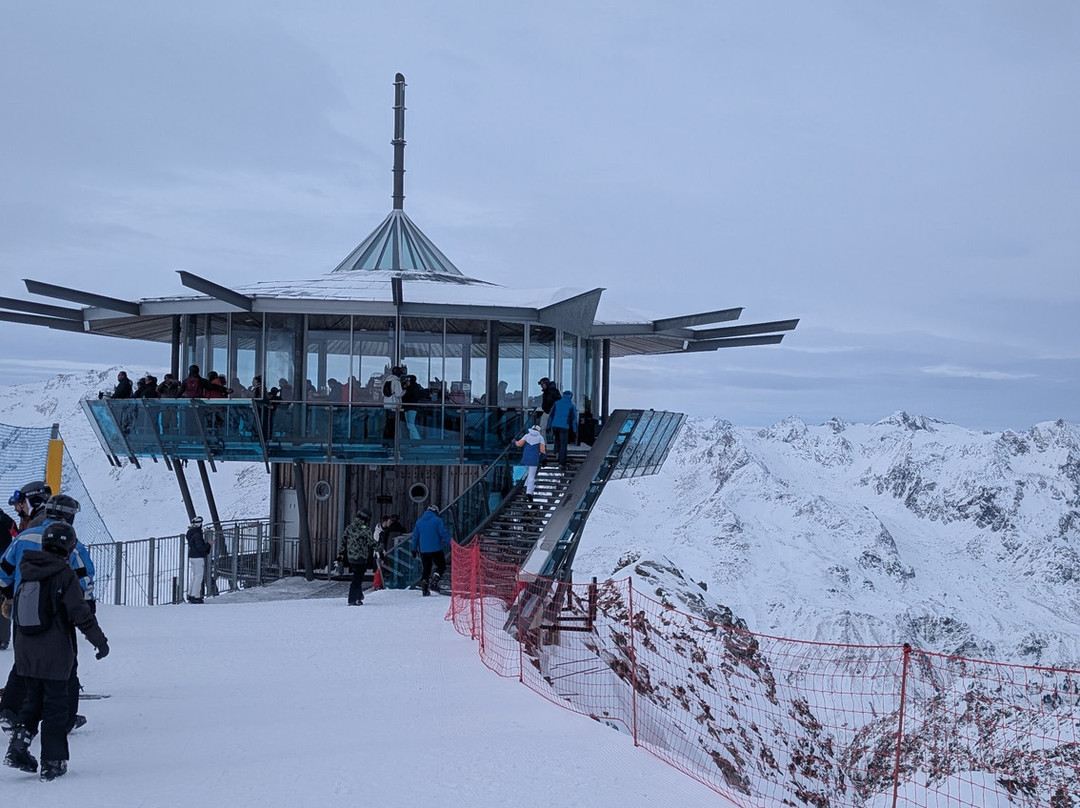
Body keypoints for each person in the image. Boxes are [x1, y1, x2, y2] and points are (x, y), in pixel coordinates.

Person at [2, 521, 109, 782]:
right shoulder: (64, 574)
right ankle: (53, 761)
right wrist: (99, 640)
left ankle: (18, 746)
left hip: (26, 650)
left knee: (32, 701)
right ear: (68, 547)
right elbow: (79, 612)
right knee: (55, 708)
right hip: (55, 654)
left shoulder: (26, 571)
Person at [0, 494, 94, 735]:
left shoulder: (23, 538)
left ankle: (9, 711)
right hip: (57, 618)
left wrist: (11, 594)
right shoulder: (73, 545)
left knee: (23, 662)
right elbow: (84, 581)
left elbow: (3, 573)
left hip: (23, 611)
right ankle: (66, 717)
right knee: (67, 665)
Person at [411, 505, 451, 596]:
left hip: (423, 550)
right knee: (441, 566)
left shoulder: (419, 522)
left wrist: (414, 549)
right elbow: (443, 534)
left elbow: (415, 537)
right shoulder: (437, 521)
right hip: (436, 548)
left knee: (426, 568)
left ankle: (425, 587)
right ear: (436, 512)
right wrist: (450, 544)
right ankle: (434, 581)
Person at [339, 510, 375, 606]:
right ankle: (352, 599)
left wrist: (341, 552)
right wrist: (380, 548)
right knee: (357, 579)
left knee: (357, 576)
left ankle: (359, 597)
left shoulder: (350, 527)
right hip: (361, 557)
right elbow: (371, 542)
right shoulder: (365, 529)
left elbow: (343, 540)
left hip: (351, 557)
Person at [514, 425, 547, 500]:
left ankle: (525, 486)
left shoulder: (526, 436)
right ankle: (529, 493)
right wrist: (544, 459)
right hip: (534, 460)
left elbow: (519, 444)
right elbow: (542, 450)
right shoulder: (540, 438)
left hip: (526, 459)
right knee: (532, 476)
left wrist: (514, 441)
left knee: (529, 473)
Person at [548, 389, 578, 466]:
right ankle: (562, 462)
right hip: (564, 426)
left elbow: (551, 415)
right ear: (570, 397)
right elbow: (574, 420)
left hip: (555, 425)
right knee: (563, 444)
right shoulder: (571, 406)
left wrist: (548, 426)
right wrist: (575, 431)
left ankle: (556, 454)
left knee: (557, 440)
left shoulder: (556, 403)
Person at [185, 517, 210, 604]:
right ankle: (196, 596)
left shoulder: (190, 532)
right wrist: (209, 545)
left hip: (192, 556)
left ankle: (190, 594)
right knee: (199, 577)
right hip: (198, 558)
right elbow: (200, 548)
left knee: (194, 576)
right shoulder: (198, 534)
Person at [0, 508, 13, 651]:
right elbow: (17, 535)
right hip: (5, 566)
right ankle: (3, 639)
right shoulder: (7, 520)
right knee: (3, 601)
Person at [381, 366, 404, 441]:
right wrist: (405, 391)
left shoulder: (386, 381)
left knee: (388, 424)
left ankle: (385, 440)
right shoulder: (396, 381)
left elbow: (383, 393)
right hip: (394, 405)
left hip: (386, 404)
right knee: (393, 425)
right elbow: (398, 394)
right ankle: (392, 441)